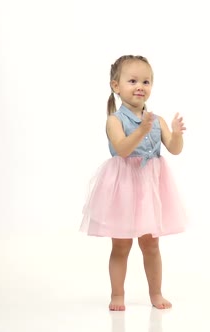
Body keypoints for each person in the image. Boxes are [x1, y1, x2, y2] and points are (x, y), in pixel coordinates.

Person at [80, 55, 188, 311]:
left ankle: (156, 293)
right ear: (116, 86)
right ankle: (117, 295)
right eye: (132, 81)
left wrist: (176, 134)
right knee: (121, 243)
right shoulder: (115, 120)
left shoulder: (156, 120)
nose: (140, 86)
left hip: (150, 188)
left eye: (146, 81)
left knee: (151, 243)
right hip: (124, 188)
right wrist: (140, 131)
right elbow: (122, 149)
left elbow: (173, 149)